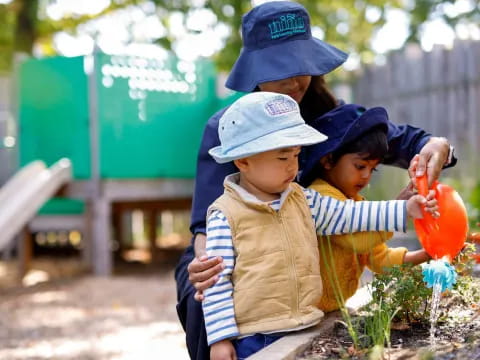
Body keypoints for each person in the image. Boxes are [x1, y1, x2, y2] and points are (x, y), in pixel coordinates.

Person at [175, 2, 455, 359]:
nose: (294, 82)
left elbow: (388, 148)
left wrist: (433, 146)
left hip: (304, 243)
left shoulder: (326, 115)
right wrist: (207, 267)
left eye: (301, 68)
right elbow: (207, 226)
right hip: (235, 247)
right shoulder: (228, 128)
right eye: (280, 70)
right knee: (208, 297)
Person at [202, 92, 438, 360]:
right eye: (282, 158)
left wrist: (404, 209)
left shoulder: (303, 198)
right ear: (243, 161)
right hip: (255, 337)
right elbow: (216, 283)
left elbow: (348, 215)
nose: (293, 166)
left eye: (296, 155)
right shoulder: (225, 214)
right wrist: (220, 340)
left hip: (306, 325)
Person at [298, 104, 432, 312]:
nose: (365, 176)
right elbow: (358, 240)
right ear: (328, 159)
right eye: (360, 166)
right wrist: (401, 210)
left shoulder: (354, 201)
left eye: (372, 168)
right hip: (305, 311)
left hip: (329, 310)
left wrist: (426, 254)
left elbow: (379, 259)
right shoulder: (320, 196)